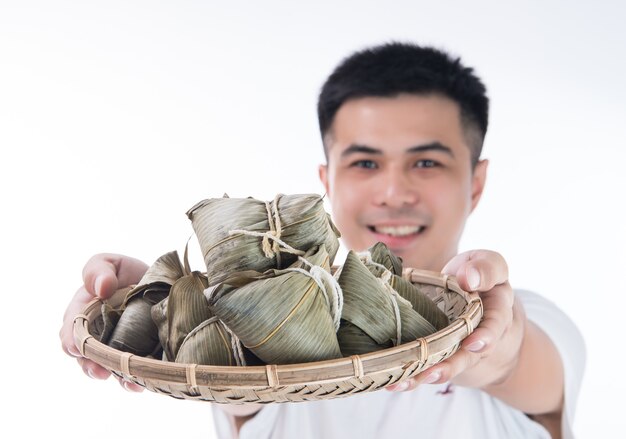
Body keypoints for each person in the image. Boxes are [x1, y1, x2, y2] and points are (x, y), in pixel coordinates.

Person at [60, 42, 585, 438]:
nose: (393, 192)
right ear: (326, 180)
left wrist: (490, 335)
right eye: (365, 163)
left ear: (476, 182)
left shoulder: (542, 322)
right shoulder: (265, 330)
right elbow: (237, 382)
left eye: (426, 162)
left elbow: (511, 360)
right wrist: (153, 300)